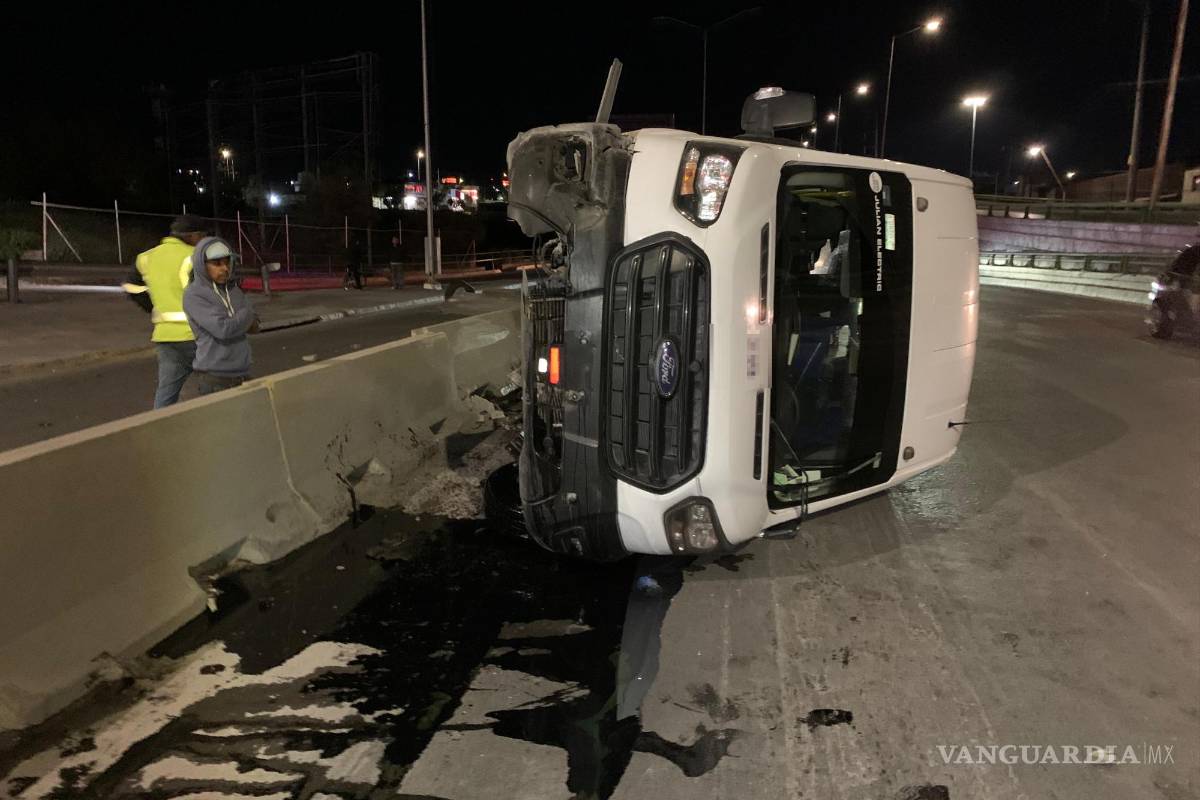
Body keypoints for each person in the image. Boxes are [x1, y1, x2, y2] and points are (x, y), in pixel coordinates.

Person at [123, 214, 206, 407]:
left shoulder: (146, 257)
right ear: (193, 236)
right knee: (220, 382)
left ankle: (160, 428)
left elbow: (131, 287)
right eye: (202, 236)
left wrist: (153, 307)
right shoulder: (195, 257)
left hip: (165, 336)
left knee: (166, 392)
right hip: (197, 335)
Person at [182, 237, 259, 396]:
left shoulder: (234, 291)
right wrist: (247, 314)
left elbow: (255, 326)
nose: (224, 268)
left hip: (243, 373)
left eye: (227, 262)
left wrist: (242, 321)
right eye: (217, 264)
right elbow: (223, 330)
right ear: (202, 265)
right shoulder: (194, 295)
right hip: (215, 378)